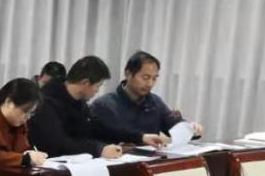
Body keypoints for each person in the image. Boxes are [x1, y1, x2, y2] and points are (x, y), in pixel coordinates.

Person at [29, 56, 164, 159]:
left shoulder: (79, 102)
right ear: (85, 83)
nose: (97, 91)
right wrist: (99, 149)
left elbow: (99, 128)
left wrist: (140, 137)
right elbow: (58, 142)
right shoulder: (46, 102)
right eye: (98, 86)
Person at [91, 51, 204, 142]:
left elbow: (173, 126)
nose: (150, 84)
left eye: (154, 78)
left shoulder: (155, 102)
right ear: (128, 74)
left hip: (151, 162)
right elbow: (95, 142)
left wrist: (190, 128)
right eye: (145, 78)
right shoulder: (104, 105)